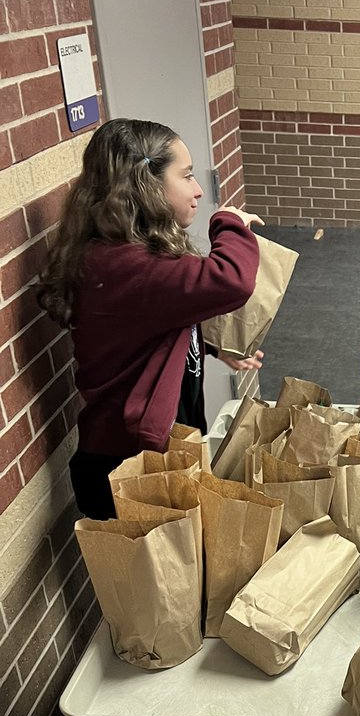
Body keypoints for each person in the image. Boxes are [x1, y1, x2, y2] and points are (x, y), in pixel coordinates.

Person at [35, 117, 264, 520]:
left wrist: (206, 346)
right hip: (127, 468)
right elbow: (232, 280)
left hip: (146, 455)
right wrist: (229, 222)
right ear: (147, 184)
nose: (197, 191)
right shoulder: (124, 265)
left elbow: (144, 326)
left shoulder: (127, 259)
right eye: (188, 175)